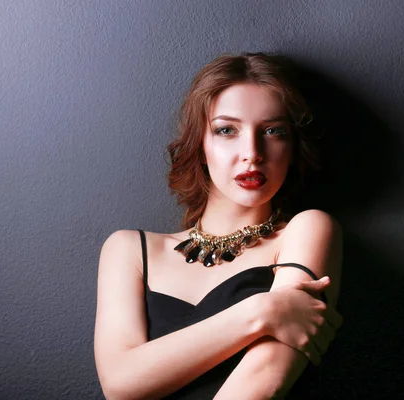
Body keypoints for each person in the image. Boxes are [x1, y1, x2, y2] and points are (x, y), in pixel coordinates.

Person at [94, 53, 343, 399]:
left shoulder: (308, 230)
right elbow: (120, 385)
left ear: (293, 147)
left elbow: (263, 380)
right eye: (227, 130)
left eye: (274, 131)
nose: (252, 152)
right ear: (200, 144)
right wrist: (261, 311)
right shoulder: (129, 249)